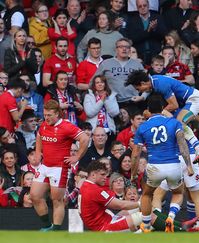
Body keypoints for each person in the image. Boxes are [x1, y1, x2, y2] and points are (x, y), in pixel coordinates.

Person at [131, 94, 193, 233]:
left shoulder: (143, 127)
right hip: (173, 165)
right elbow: (182, 145)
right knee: (178, 193)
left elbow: (135, 154)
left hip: (154, 166)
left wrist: (133, 173)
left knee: (147, 195)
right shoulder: (174, 123)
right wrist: (188, 166)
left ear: (148, 109)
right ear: (163, 108)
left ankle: (146, 226)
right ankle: (170, 217)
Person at [126, 70, 199, 161]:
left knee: (179, 122)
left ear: (143, 83)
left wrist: (157, 113)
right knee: (195, 122)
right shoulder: (153, 80)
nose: (139, 91)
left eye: (138, 89)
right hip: (190, 99)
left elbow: (174, 105)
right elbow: (148, 90)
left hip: (194, 99)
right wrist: (142, 97)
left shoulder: (161, 85)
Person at [30, 100, 89, 231]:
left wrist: (77, 156)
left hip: (59, 168)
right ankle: (47, 226)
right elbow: (39, 135)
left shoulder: (67, 126)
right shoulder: (45, 124)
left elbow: (85, 138)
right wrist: (39, 152)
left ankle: (55, 231)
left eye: (49, 115)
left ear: (57, 114)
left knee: (56, 199)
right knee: (34, 195)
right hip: (45, 166)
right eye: (45, 115)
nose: (46, 118)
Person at [79, 160, 142, 231]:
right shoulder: (93, 189)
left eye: (105, 175)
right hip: (106, 227)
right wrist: (141, 203)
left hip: (105, 223)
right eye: (102, 174)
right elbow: (120, 205)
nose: (105, 178)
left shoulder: (85, 186)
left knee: (140, 211)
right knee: (148, 217)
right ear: (93, 175)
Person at [93, 37, 144, 105]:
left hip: (133, 101)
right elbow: (93, 81)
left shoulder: (137, 64)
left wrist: (143, 97)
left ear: (129, 50)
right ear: (116, 49)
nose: (124, 49)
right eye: (121, 47)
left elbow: (148, 84)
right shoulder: (106, 63)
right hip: (111, 101)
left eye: (127, 47)